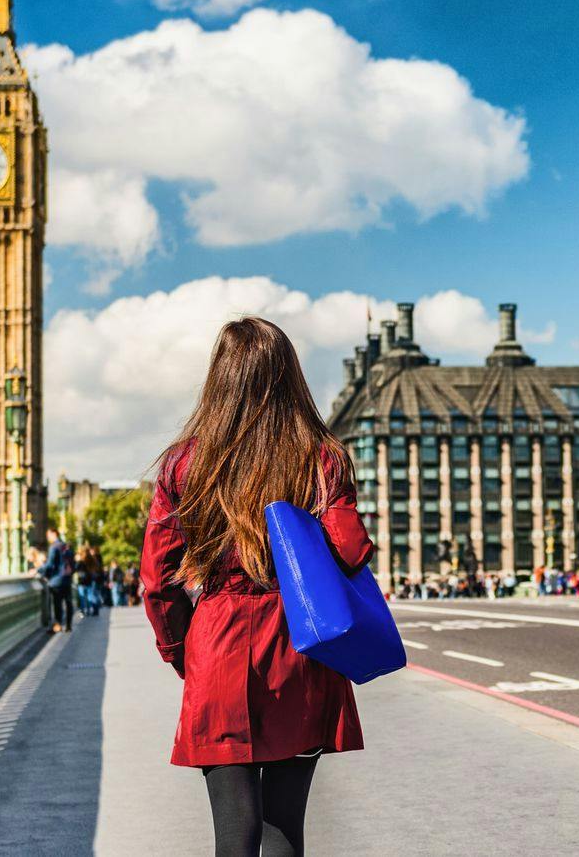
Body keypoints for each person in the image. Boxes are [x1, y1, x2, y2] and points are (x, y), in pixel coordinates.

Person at [141, 317, 373, 857]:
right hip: (300, 645)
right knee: (283, 828)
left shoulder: (182, 464)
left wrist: (181, 650)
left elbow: (158, 580)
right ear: (288, 376)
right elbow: (352, 552)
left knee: (235, 833)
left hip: (218, 642)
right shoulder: (321, 456)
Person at [41, 526, 75, 633]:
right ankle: (69, 625)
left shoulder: (54, 547)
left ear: (54, 534)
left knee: (57, 604)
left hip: (56, 580)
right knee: (68, 602)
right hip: (67, 578)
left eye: (48, 536)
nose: (48, 538)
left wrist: (38, 570)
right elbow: (73, 563)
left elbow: (50, 565)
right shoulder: (66, 546)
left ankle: (58, 625)